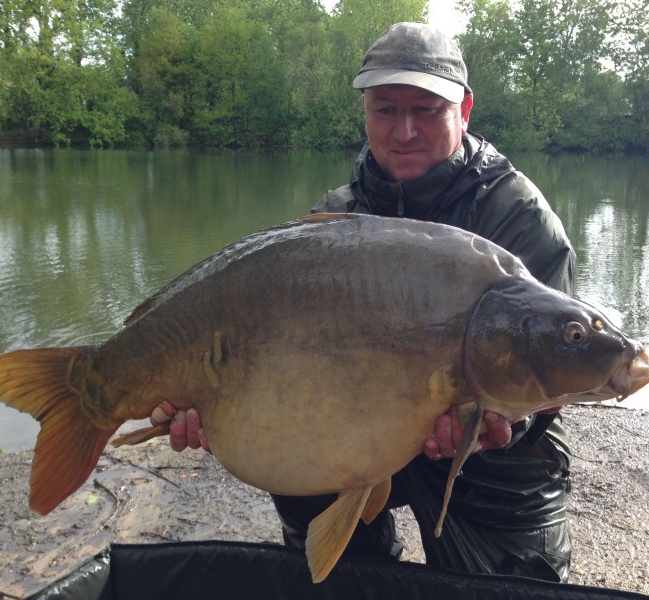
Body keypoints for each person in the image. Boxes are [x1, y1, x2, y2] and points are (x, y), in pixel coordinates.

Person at [151, 22, 576, 582]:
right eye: (384, 109)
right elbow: (280, 359)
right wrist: (212, 403)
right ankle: (355, 572)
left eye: (426, 109)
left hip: (490, 458)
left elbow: (554, 375)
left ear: (464, 109)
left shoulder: (516, 219)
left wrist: (502, 426)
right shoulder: (334, 218)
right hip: (361, 428)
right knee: (302, 473)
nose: (404, 131)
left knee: (511, 579)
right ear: (365, 113)